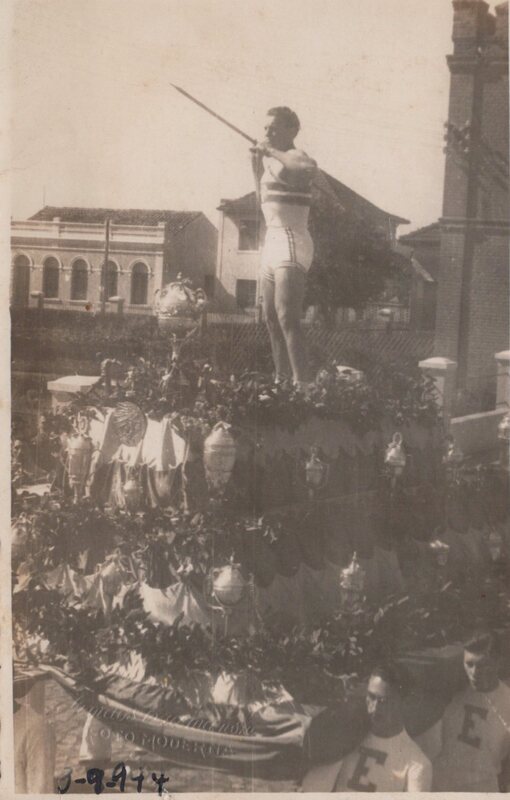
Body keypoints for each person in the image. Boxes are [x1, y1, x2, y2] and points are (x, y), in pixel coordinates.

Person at [251, 107, 317, 392]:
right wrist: (256, 166)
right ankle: (282, 383)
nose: (268, 133)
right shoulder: (273, 165)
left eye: (274, 128)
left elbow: (305, 167)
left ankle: (304, 388)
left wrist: (270, 151)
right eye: (266, 128)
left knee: (287, 316)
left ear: (292, 130)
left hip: (292, 239)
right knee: (270, 318)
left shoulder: (296, 156)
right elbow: (263, 202)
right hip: (272, 240)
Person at [301, 664, 432, 791]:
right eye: (371, 697)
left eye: (383, 701)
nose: (374, 708)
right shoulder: (347, 737)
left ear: (405, 703)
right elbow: (312, 791)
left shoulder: (417, 764)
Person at [431, 631, 510, 792]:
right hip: (440, 786)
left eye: (483, 665)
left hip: (481, 789)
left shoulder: (507, 703)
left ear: (498, 663)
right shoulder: (454, 690)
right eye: (469, 664)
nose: (474, 672)